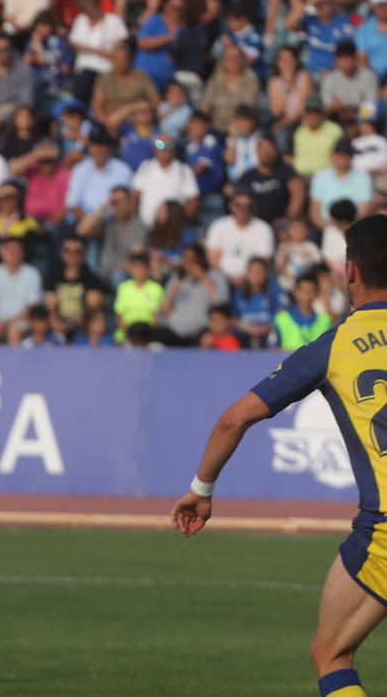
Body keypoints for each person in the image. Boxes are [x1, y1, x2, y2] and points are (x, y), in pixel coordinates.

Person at [170, 215, 387, 695]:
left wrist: (200, 491)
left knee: (331, 655)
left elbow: (234, 418)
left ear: (348, 271)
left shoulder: (336, 346)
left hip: (386, 532)